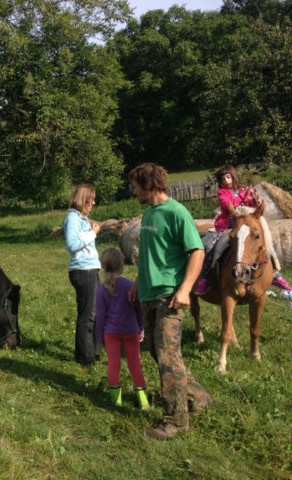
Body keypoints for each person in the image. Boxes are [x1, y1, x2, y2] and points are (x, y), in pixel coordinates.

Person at [128, 163, 212, 440]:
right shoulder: (149, 213)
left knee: (167, 355)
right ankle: (198, 397)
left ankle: (176, 420)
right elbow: (149, 253)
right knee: (157, 350)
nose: (133, 191)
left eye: (135, 186)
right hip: (149, 293)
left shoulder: (177, 212)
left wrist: (185, 289)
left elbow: (197, 252)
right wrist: (138, 283)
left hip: (170, 296)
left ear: (148, 185)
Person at [194, 164, 291, 295]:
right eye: (223, 179)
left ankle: (275, 274)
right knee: (210, 247)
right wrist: (244, 196)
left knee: (272, 244)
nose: (226, 181)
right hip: (228, 228)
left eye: (228, 177)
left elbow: (253, 206)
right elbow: (228, 204)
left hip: (246, 227)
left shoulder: (244, 189)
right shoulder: (222, 193)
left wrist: (256, 200)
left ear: (234, 176)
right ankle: (205, 278)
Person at [96, 247, 149, 410]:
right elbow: (139, 310)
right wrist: (141, 330)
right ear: (121, 265)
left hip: (111, 334)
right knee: (135, 364)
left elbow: (100, 317)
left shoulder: (101, 289)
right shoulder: (130, 286)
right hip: (131, 332)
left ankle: (115, 402)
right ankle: (144, 402)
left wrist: (100, 337)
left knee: (113, 364)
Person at [63, 184, 101, 365]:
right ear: (82, 199)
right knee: (87, 315)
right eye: (90, 199)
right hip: (83, 271)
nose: (93, 203)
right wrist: (93, 233)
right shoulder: (72, 218)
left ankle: (93, 352)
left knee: (95, 313)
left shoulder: (81, 218)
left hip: (91, 269)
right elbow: (72, 245)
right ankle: (85, 358)